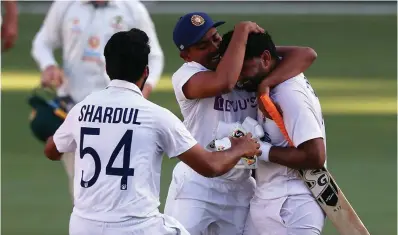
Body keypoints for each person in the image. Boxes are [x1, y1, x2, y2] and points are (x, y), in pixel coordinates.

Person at [43, 28, 261, 235]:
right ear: (145, 72)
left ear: (107, 70)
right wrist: (239, 148)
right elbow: (211, 166)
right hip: (137, 227)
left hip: (83, 226)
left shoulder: (82, 109)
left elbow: (52, 151)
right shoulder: (157, 116)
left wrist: (58, 133)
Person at [164, 12, 317, 235]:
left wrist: (266, 84)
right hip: (197, 185)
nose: (215, 48)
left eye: (216, 38)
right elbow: (224, 83)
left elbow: (306, 54)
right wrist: (242, 30)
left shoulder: (242, 63)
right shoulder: (187, 76)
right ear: (186, 55)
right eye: (203, 46)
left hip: (241, 189)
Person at [30, 0, 164, 200]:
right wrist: (49, 65)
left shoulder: (131, 8)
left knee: (122, 185)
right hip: (75, 109)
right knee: (81, 188)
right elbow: (42, 42)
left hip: (120, 113)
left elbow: (154, 56)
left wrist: (143, 91)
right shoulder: (65, 5)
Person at [219, 30, 326, 235]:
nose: (238, 79)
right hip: (267, 200)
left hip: (292, 208)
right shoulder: (272, 83)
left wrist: (259, 150)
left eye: (243, 69)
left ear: (266, 58)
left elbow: (315, 156)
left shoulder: (289, 93)